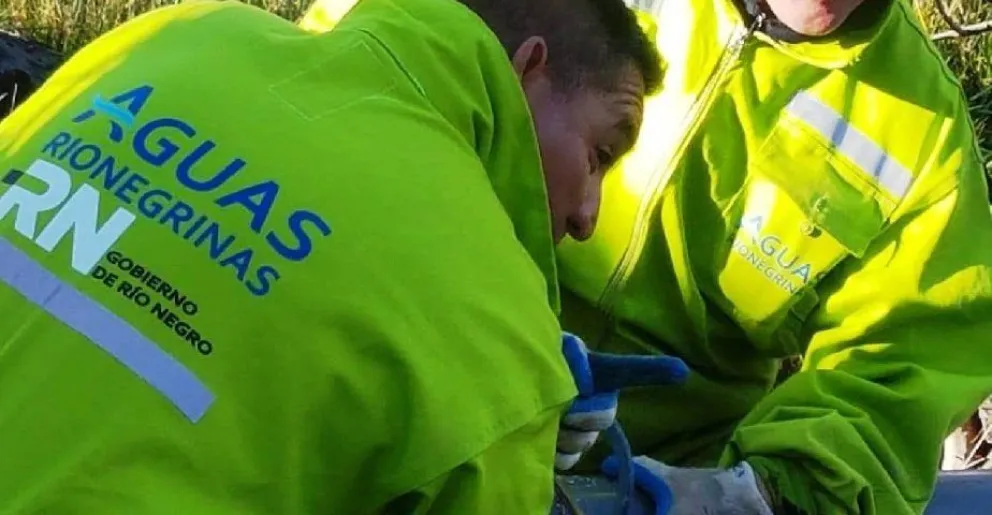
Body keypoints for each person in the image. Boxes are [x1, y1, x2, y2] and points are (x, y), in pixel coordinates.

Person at [0, 0, 662, 513]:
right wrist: (522, 419)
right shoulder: (499, 341)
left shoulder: (178, 32)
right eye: (600, 155)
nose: (586, 216)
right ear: (527, 68)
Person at [553, 0, 992, 514]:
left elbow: (895, 378)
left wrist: (756, 494)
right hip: (467, 373)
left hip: (670, 482)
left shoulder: (925, 138)